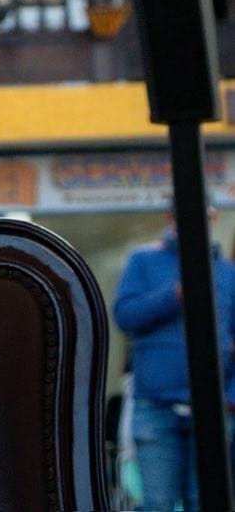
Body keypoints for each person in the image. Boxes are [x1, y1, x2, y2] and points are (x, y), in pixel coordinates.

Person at [113, 212, 235, 511]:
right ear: (171, 217)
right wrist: (173, 295)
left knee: (206, 501)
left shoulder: (226, 272)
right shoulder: (144, 261)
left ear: (214, 219)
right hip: (156, 406)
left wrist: (230, 398)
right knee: (158, 503)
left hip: (213, 409)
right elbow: (125, 316)